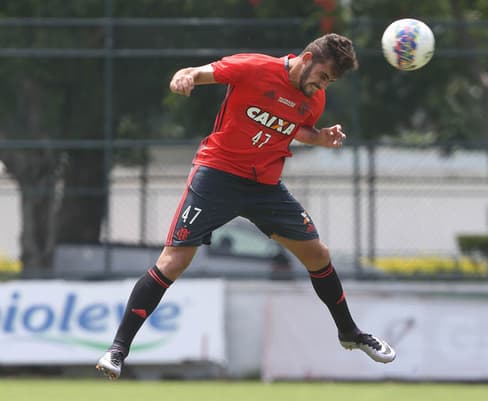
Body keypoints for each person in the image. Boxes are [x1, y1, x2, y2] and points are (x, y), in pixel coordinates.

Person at [96, 33, 396, 380]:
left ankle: (349, 333)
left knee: (318, 254)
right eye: (323, 76)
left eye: (329, 82)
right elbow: (198, 72)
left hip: (265, 187)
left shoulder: (314, 100)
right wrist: (185, 76)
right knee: (174, 261)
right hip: (217, 175)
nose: (322, 86)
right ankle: (119, 348)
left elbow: (295, 127)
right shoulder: (253, 67)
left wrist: (320, 137)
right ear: (309, 57)